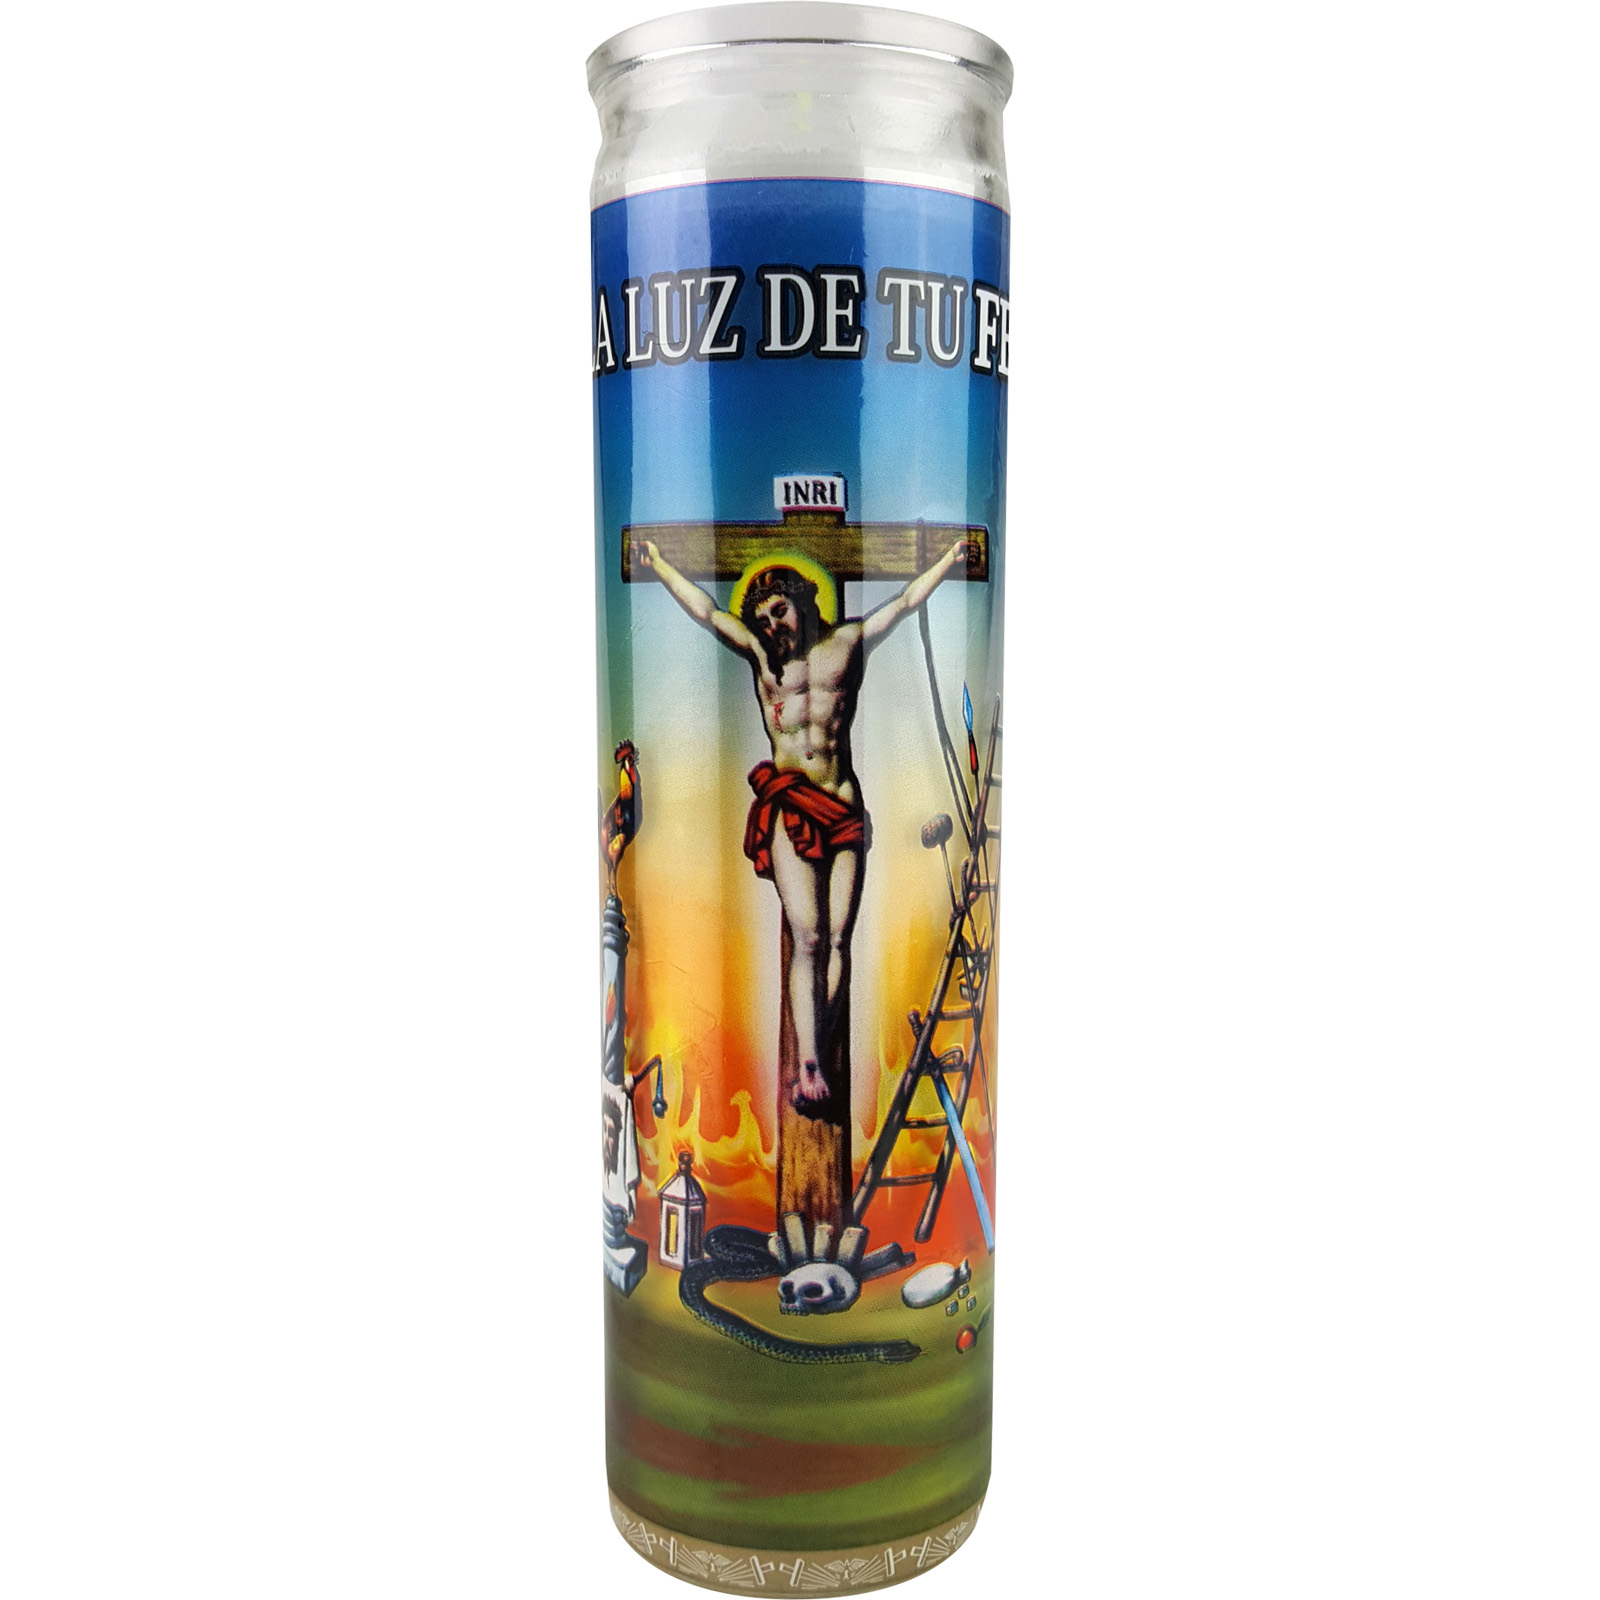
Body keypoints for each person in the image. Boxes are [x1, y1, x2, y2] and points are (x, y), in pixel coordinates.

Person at [641, 536, 968, 1116]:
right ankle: (810, 1065)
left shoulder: (849, 643)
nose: (773, 626)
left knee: (839, 939)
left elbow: (904, 603)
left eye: (780, 611)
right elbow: (708, 613)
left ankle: (816, 1047)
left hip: (842, 804)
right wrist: (662, 565)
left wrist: (946, 561)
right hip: (792, 805)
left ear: (805, 599)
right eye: (764, 620)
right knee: (809, 937)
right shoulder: (763, 661)